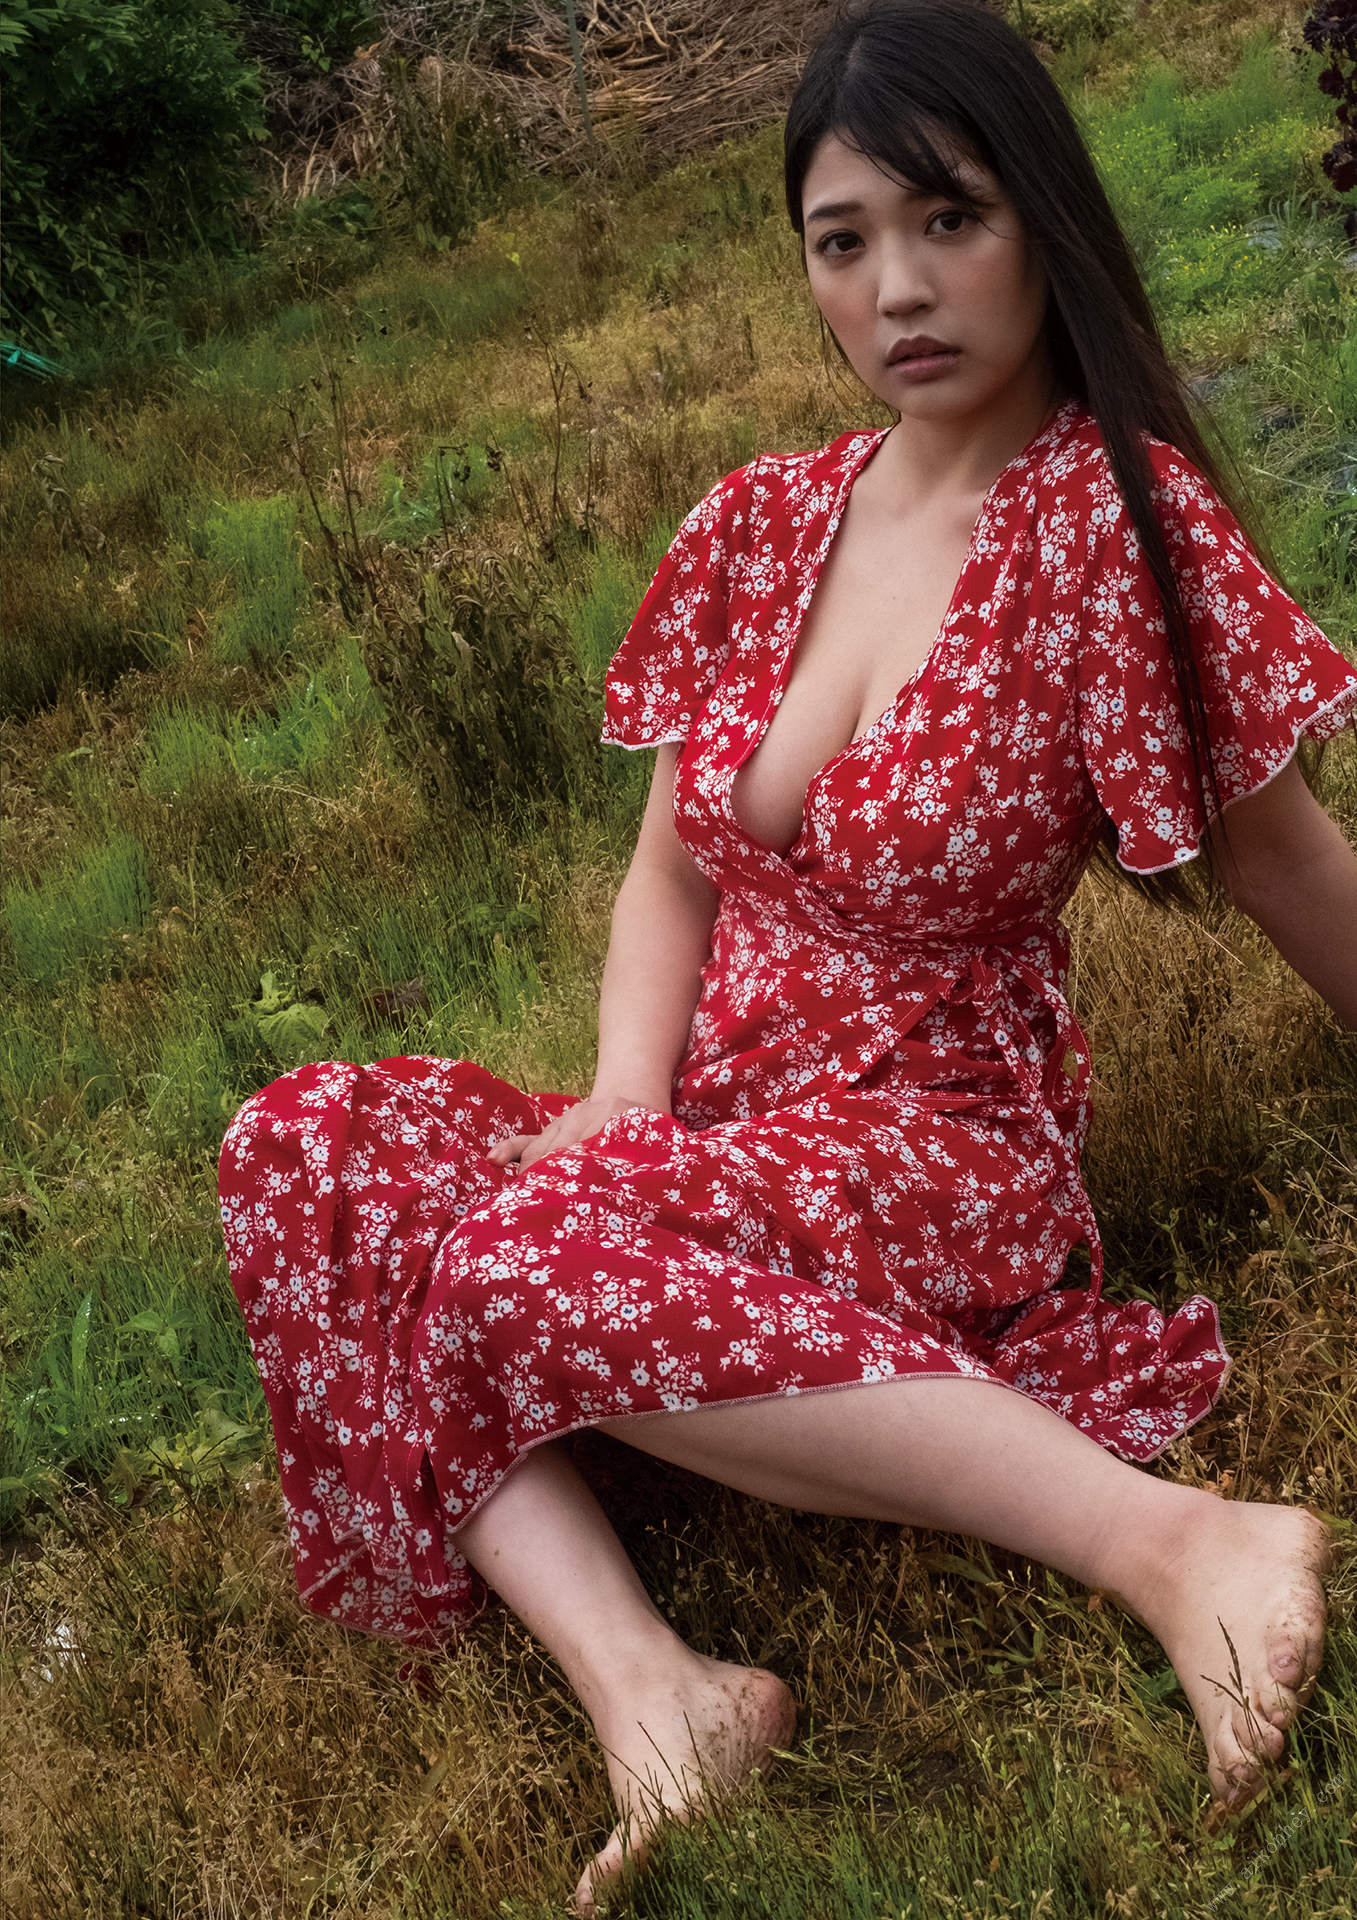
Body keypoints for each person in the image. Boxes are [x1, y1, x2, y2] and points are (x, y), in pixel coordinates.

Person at [218, 1, 1357, 1910]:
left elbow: (1282, 859)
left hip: (938, 1138)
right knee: (301, 1145)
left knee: (502, 1260)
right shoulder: (765, 522)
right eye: (846, 240)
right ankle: (658, 1696)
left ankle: (1177, 1545)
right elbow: (668, 880)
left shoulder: (1105, 524)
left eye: (949, 219)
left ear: (1043, 221)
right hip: (723, 1117)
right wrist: (622, 1097)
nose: (898, 288)